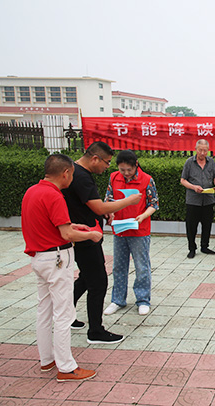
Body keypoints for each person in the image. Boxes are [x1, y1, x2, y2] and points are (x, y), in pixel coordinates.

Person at [21, 153, 102, 381]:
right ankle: (66, 367)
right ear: (66, 173)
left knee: (44, 310)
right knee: (64, 313)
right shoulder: (55, 196)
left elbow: (53, 225)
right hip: (56, 258)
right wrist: (92, 235)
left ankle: (47, 359)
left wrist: (75, 226)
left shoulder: (32, 191)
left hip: (39, 258)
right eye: (72, 174)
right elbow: (66, 234)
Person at [62, 141, 141, 344]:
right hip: (86, 237)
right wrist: (129, 201)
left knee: (86, 278)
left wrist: (103, 213)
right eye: (106, 162)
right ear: (95, 158)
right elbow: (97, 207)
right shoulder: (81, 177)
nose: (107, 167)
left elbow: (89, 205)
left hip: (85, 232)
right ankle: (96, 331)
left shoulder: (77, 172)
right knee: (98, 282)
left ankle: (66, 315)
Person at [103, 150, 159, 317]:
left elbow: (154, 204)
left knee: (142, 266)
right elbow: (108, 199)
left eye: (129, 169)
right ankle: (118, 299)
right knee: (119, 266)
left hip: (139, 230)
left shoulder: (146, 179)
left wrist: (143, 216)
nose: (126, 173)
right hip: (120, 229)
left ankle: (143, 300)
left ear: (136, 165)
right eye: (122, 170)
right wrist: (109, 212)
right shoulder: (114, 178)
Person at [181, 139, 215, 258]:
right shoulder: (189, 162)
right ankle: (192, 248)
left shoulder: (211, 162)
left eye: (205, 150)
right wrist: (193, 187)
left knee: (207, 224)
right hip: (193, 200)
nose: (202, 153)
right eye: (200, 150)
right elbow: (183, 180)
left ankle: (205, 246)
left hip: (208, 198)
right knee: (191, 226)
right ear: (195, 149)